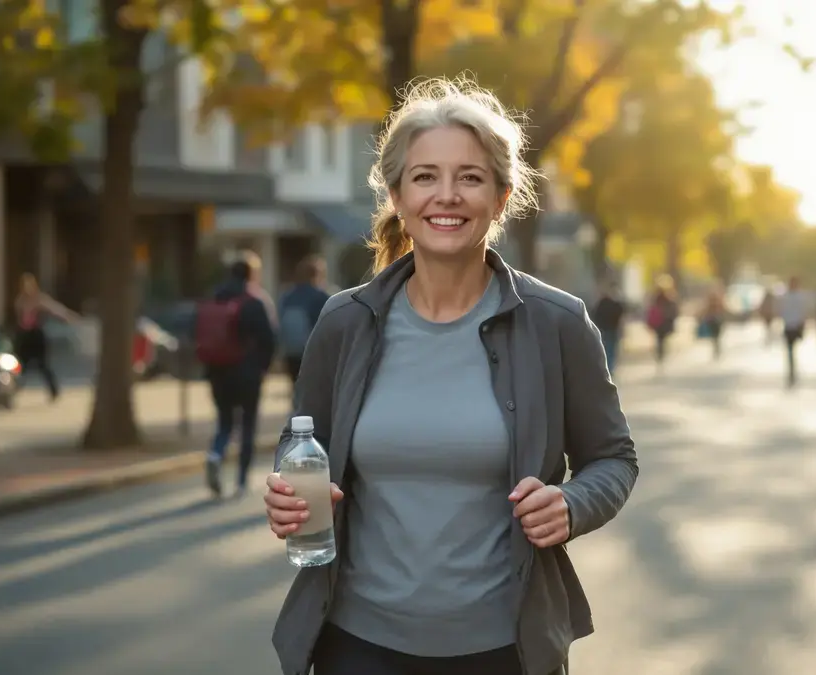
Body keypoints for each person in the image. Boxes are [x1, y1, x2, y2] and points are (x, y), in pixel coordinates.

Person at [262, 78, 638, 675]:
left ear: (501, 195)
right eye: (425, 176)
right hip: (356, 643)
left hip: (503, 648)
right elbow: (303, 441)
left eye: (469, 177)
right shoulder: (346, 322)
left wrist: (572, 502)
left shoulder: (557, 324)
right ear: (397, 196)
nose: (448, 195)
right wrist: (290, 493)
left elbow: (614, 458)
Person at [195, 251, 277, 497]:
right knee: (248, 424)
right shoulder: (255, 300)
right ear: (252, 274)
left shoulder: (215, 297)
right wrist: (264, 367)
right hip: (247, 372)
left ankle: (215, 454)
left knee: (225, 422)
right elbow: (269, 339)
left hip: (217, 370)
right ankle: (241, 481)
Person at [12, 273, 80, 401]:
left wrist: (69, 317)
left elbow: (56, 309)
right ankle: (12, 390)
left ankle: (54, 390)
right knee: (21, 366)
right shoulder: (20, 301)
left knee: (43, 365)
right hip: (24, 337)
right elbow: (19, 320)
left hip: (36, 336)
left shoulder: (39, 299)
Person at [278, 255, 332, 393]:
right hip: (314, 353)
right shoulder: (322, 297)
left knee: (297, 390)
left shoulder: (287, 296)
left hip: (292, 351)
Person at [778, 276, 813, 387]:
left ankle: (793, 368)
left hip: (796, 326)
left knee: (793, 349)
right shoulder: (786, 296)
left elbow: (804, 311)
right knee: (790, 349)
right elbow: (782, 311)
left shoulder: (799, 297)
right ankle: (792, 369)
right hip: (788, 326)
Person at [591, 280, 627, 375]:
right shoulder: (615, 304)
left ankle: (607, 367)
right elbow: (620, 317)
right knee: (611, 349)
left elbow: (594, 316)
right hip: (610, 330)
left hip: (605, 330)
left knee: (606, 348)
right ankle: (609, 367)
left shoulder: (601, 303)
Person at [644, 275, 680, 371]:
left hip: (660, 322)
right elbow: (674, 310)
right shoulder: (668, 296)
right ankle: (661, 354)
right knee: (661, 340)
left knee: (660, 339)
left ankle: (660, 354)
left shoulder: (657, 297)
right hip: (664, 322)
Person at [699, 283, 728, 359]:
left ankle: (717, 347)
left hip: (717, 319)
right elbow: (707, 309)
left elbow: (722, 308)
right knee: (715, 336)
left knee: (716, 336)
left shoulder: (718, 299)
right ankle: (716, 347)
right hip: (712, 319)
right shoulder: (712, 299)